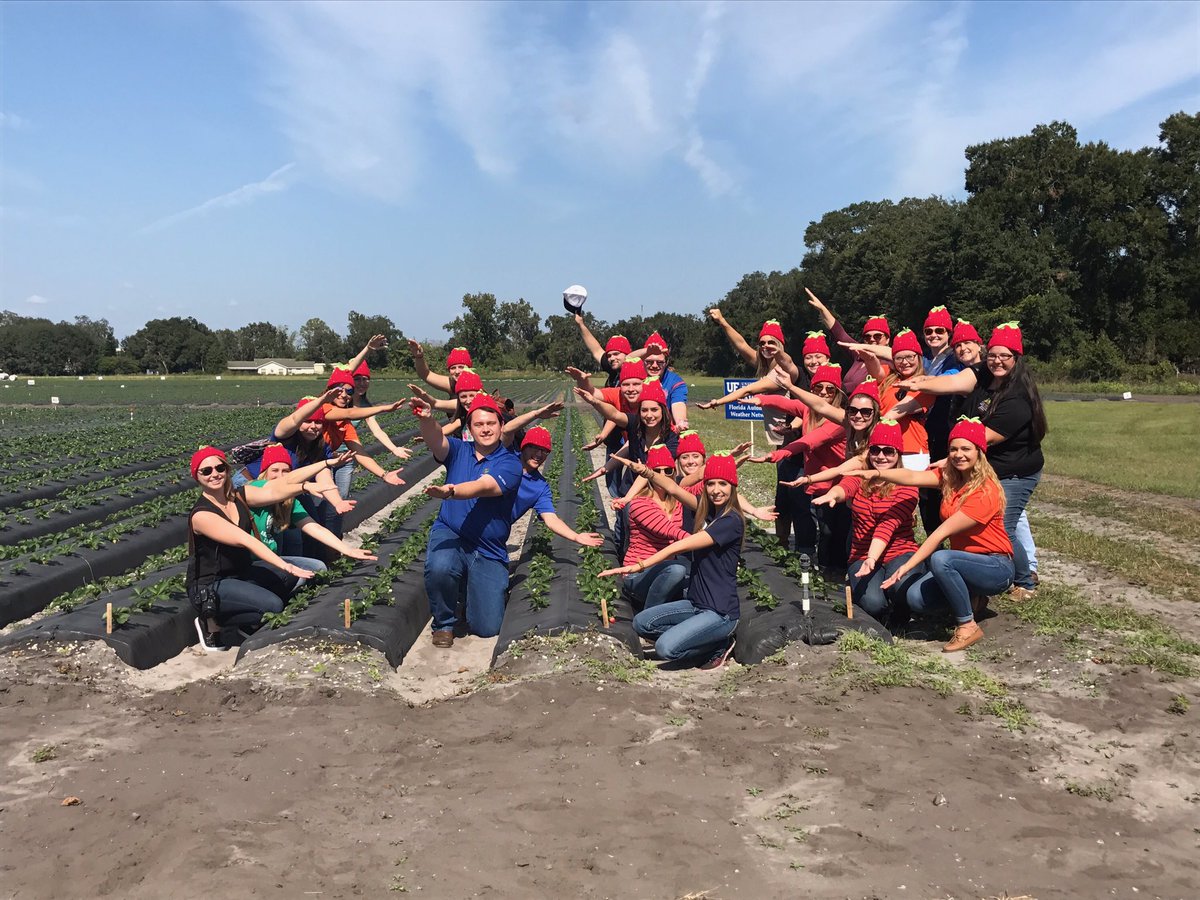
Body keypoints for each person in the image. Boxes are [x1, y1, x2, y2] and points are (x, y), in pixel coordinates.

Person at [896, 322, 1046, 599]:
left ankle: (1025, 582)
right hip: (987, 465)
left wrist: (950, 461)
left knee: (1004, 524)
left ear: (1016, 358)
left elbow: (980, 440)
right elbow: (952, 381)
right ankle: (980, 571)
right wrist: (923, 382)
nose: (997, 361)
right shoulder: (983, 373)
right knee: (981, 522)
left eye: (1005, 356)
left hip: (1015, 471)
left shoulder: (1018, 399)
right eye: (994, 355)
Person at [860, 417, 1015, 652]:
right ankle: (973, 598)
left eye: (966, 449)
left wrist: (905, 566)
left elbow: (939, 534)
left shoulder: (985, 491)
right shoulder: (951, 479)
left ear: (979, 452)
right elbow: (912, 477)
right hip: (964, 563)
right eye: (953, 449)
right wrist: (877, 474)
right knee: (914, 597)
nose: (958, 454)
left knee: (941, 558)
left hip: (995, 566)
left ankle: (967, 625)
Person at [599, 453, 745, 669]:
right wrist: (646, 472)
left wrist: (638, 565)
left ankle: (718, 644)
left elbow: (680, 545)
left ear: (733, 486)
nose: (716, 490)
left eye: (723, 484)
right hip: (695, 604)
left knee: (665, 649)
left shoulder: (730, 521)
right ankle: (695, 633)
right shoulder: (707, 512)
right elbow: (675, 488)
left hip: (719, 612)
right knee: (641, 623)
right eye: (711, 484)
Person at [188, 446, 338, 651]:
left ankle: (247, 621)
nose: (215, 474)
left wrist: (311, 480)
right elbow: (245, 540)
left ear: (227, 469)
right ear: (197, 477)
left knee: (294, 578)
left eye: (219, 468)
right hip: (213, 583)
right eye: (206, 471)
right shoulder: (202, 515)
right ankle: (212, 621)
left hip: (242, 571)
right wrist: (286, 565)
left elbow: (276, 488)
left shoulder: (239, 495)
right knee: (273, 606)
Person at [415, 393, 522, 648]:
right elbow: (435, 439)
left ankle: (467, 591)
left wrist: (452, 491)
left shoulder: (510, 463)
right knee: (439, 567)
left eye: (491, 423)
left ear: (501, 425)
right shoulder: (458, 450)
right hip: (451, 532)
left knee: (487, 627)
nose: (486, 429)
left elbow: (484, 486)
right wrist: (427, 419)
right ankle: (444, 623)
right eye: (479, 424)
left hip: (488, 547)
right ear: (469, 429)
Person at [809, 420, 922, 629]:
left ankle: (901, 609)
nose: (881, 456)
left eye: (889, 451)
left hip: (899, 551)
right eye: (875, 450)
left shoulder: (908, 485)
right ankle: (879, 606)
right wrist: (833, 494)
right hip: (861, 553)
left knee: (900, 587)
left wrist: (873, 556)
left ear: (898, 455)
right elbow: (846, 486)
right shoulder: (862, 476)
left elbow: (887, 525)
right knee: (873, 603)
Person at [746, 364, 849, 574]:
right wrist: (761, 399)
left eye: (830, 389)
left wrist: (774, 455)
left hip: (837, 482)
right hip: (816, 481)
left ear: (838, 392)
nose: (823, 393)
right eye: (819, 387)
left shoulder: (838, 419)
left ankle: (833, 570)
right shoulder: (808, 410)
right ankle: (811, 561)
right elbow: (784, 402)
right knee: (812, 520)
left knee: (832, 531)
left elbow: (808, 442)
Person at [248, 443, 381, 570]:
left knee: (316, 567)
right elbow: (281, 484)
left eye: (286, 471)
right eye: (275, 470)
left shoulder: (290, 502)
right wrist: (323, 467)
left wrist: (347, 549)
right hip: (249, 560)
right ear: (264, 472)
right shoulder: (255, 489)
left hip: (272, 559)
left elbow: (315, 528)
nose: (280, 476)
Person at [617, 444, 690, 609]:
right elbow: (670, 531)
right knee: (678, 570)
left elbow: (702, 485)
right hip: (638, 573)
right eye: (657, 471)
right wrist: (708, 541)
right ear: (649, 474)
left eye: (668, 470)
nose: (663, 475)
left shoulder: (676, 501)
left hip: (665, 570)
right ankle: (648, 617)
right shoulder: (640, 504)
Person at [506, 425, 604, 548]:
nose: (539, 454)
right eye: (534, 447)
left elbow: (551, 519)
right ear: (524, 446)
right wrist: (535, 414)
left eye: (544, 450)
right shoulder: (506, 458)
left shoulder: (539, 486)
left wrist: (576, 536)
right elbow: (506, 431)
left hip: (494, 537)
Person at [804, 288, 890, 394]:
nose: (872, 339)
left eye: (877, 336)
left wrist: (832, 387)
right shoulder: (859, 354)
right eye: (867, 337)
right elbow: (839, 333)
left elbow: (858, 385)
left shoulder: (891, 360)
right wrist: (822, 309)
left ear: (887, 339)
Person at [573, 313, 640, 387]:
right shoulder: (613, 369)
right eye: (609, 355)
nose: (612, 358)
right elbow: (596, 350)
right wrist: (580, 325)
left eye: (616, 354)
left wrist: (650, 350)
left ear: (627, 355)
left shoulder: (635, 374)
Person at [641, 332, 689, 429]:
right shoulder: (635, 377)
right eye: (649, 361)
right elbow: (627, 359)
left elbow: (678, 403)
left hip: (664, 433)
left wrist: (680, 422)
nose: (654, 366)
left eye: (659, 362)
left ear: (666, 362)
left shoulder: (675, 382)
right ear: (643, 360)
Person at [408, 341, 474, 396]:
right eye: (453, 368)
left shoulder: (476, 387)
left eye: (461, 367)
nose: (457, 371)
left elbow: (455, 405)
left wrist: (428, 400)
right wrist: (419, 357)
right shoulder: (452, 384)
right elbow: (425, 374)